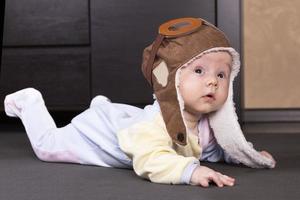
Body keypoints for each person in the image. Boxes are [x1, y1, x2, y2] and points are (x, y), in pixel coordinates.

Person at [4, 17, 276, 187]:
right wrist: (189, 172)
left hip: (125, 120)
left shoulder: (207, 124)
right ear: (173, 79)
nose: (213, 82)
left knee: (122, 116)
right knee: (47, 147)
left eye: (221, 74)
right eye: (199, 71)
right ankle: (30, 102)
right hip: (97, 135)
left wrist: (243, 154)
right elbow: (149, 159)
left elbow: (213, 151)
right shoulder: (155, 125)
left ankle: (102, 105)